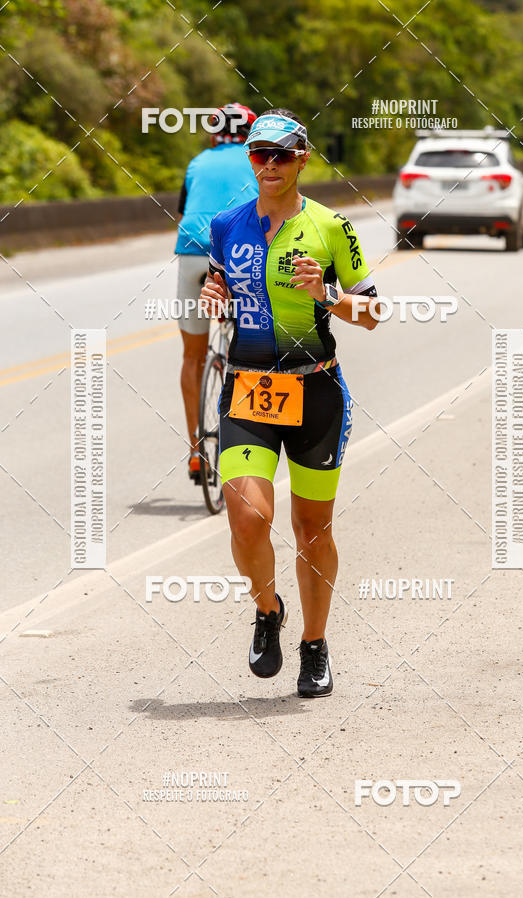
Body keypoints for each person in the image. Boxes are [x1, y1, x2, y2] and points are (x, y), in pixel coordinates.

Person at [201, 109, 378, 697]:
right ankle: (268, 609)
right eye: (259, 154)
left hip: (315, 388)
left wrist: (324, 294)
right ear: (249, 160)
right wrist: (214, 295)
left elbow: (373, 314)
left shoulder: (331, 227)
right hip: (249, 388)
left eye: (281, 154)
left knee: (310, 528)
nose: (269, 165)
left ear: (303, 158)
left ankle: (315, 644)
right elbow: (220, 292)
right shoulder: (226, 225)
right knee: (248, 516)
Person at [174, 102, 259, 481]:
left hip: (191, 255)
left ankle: (195, 450)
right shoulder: (258, 160)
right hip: (235, 256)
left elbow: (184, 210)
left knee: (192, 357)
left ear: (213, 134)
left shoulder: (197, 162)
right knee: (254, 345)